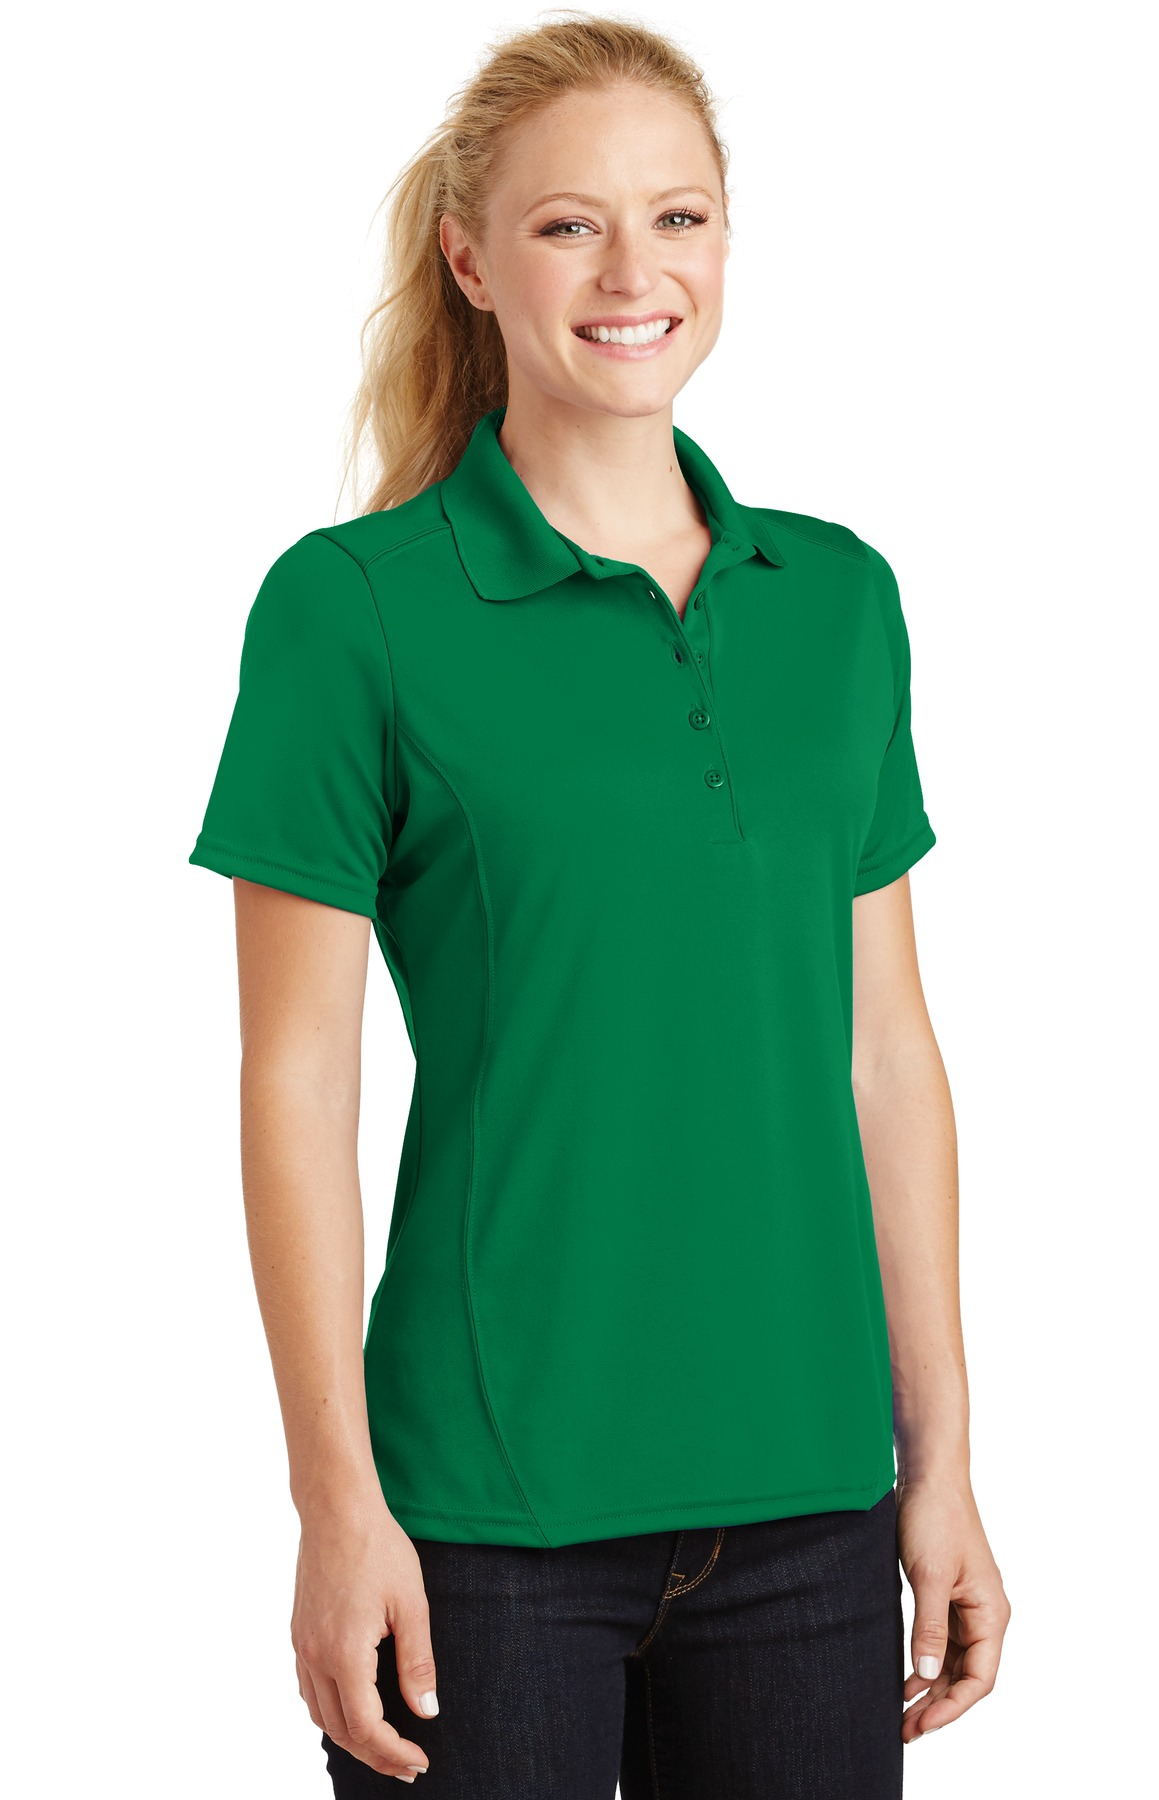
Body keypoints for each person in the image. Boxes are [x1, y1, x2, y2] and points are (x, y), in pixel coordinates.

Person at [188, 13, 1010, 1797]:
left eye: (679, 218)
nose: (635, 273)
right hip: (483, 1524)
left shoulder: (837, 601)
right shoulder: (352, 610)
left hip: (811, 1507)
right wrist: (335, 1504)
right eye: (570, 225)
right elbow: (294, 1081)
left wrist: (941, 1458)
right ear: (470, 259)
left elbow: (885, 1052)